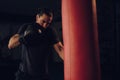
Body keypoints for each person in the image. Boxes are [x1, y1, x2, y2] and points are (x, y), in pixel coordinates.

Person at [8, 8, 64, 80]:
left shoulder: (50, 31)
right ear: (37, 17)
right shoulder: (26, 27)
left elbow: (60, 49)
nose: (45, 25)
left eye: (48, 23)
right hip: (24, 75)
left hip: (42, 76)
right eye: (43, 21)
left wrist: (72, 62)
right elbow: (10, 45)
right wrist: (24, 36)